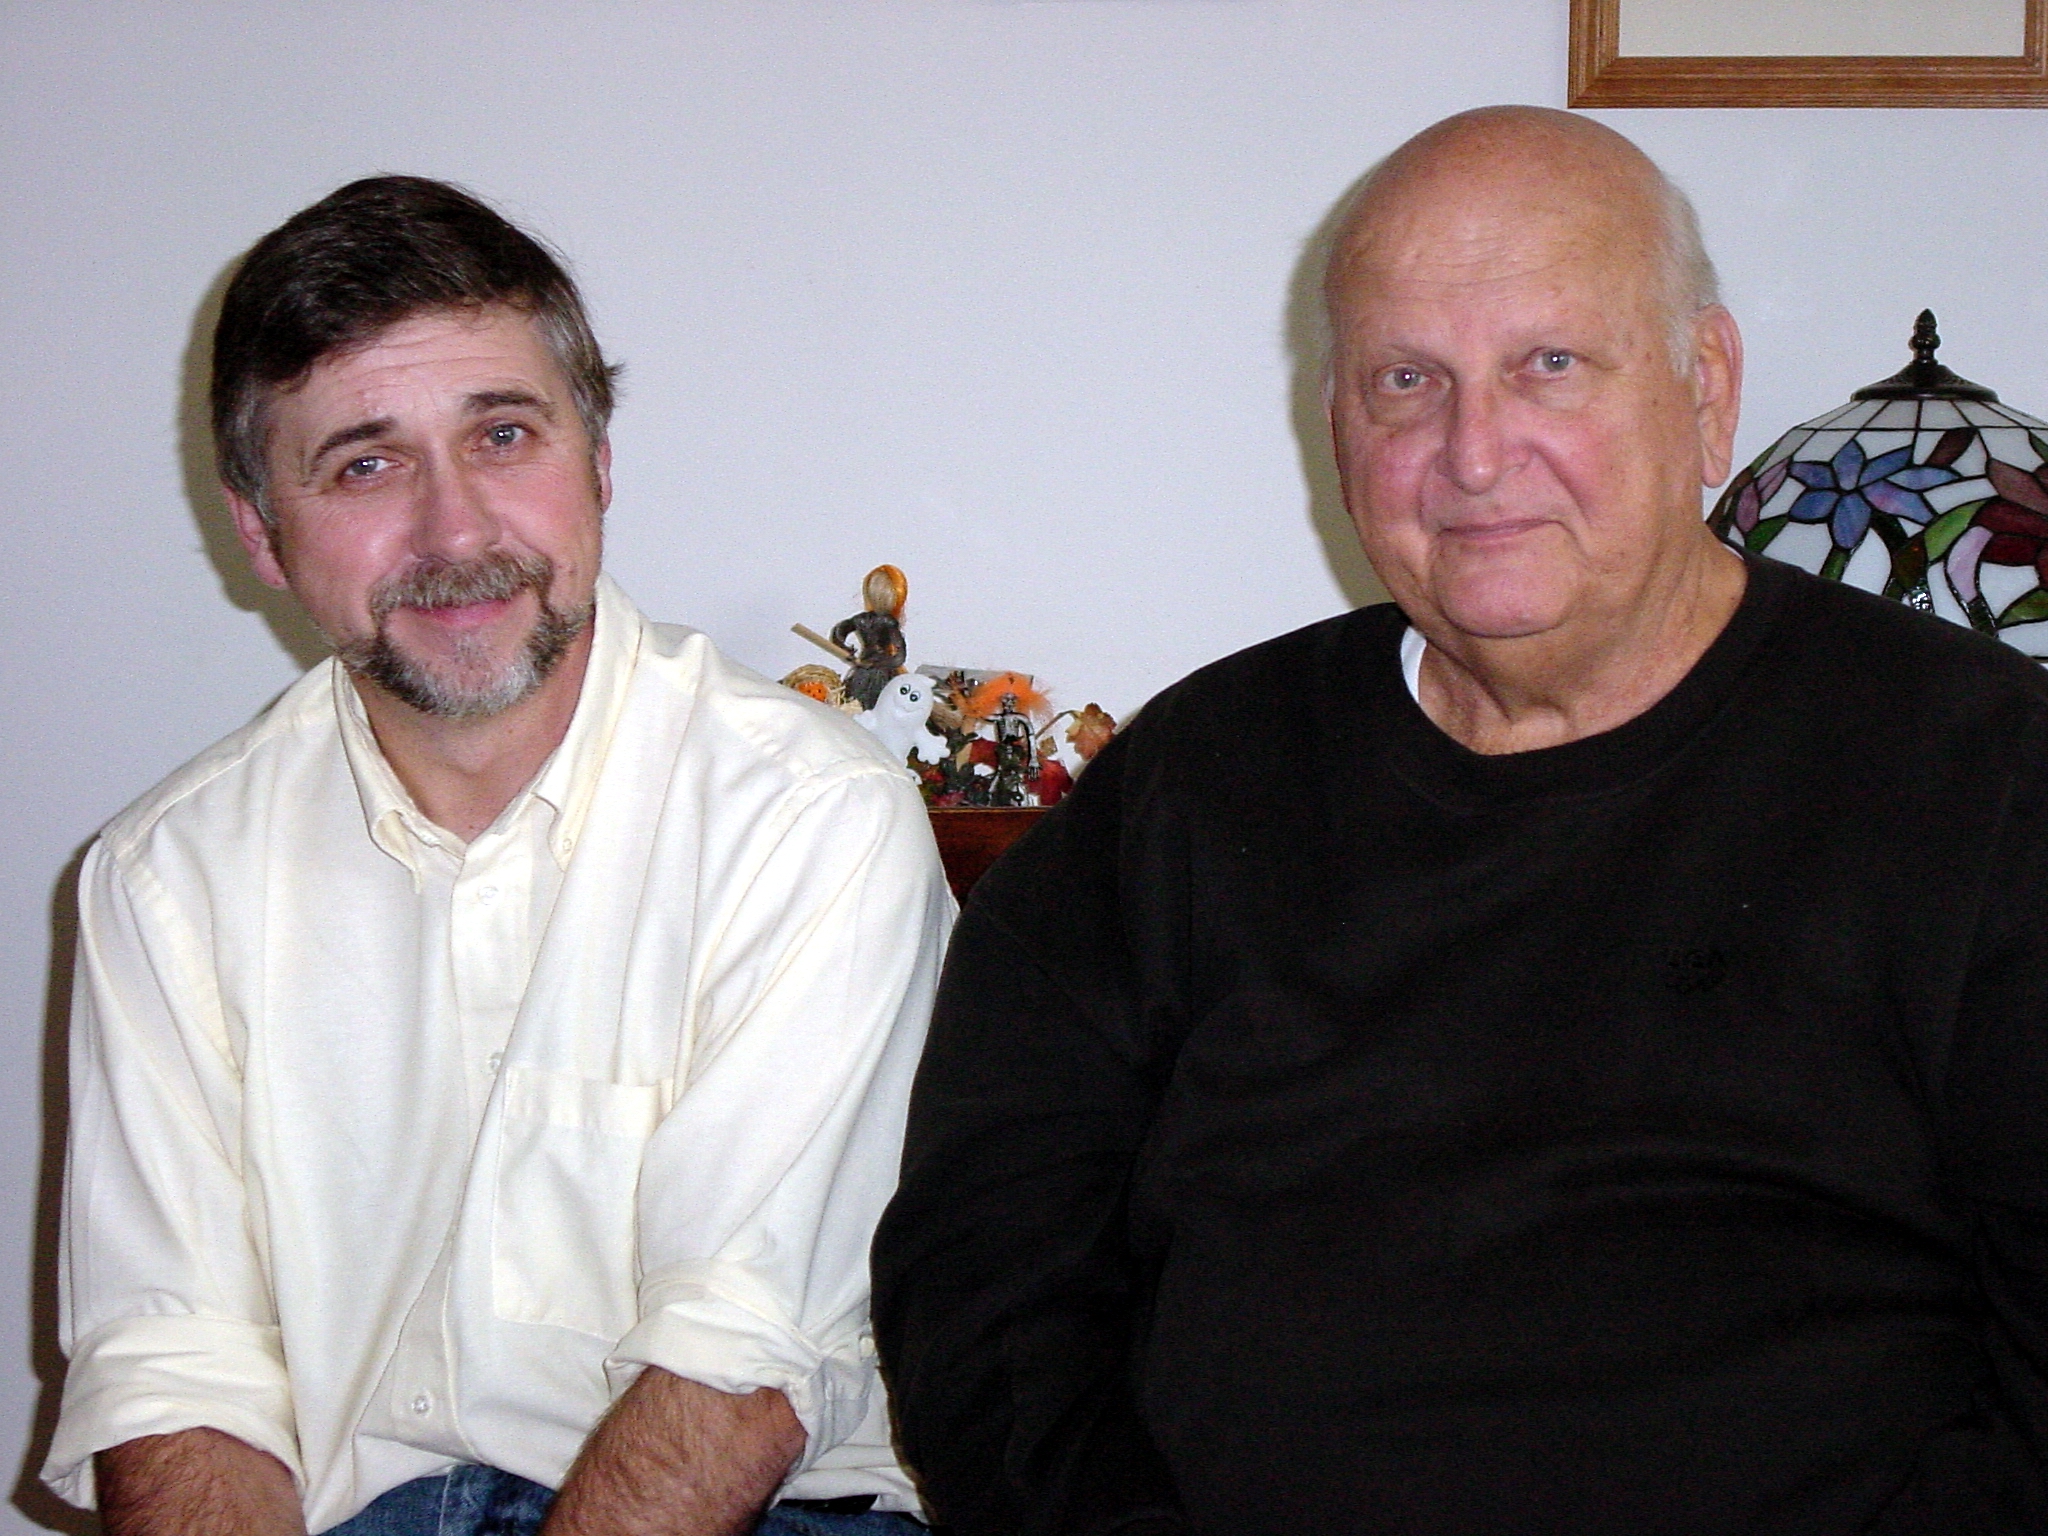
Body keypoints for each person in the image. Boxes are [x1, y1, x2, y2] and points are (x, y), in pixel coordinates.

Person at [872, 106, 2048, 1534]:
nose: (1475, 454)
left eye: (1550, 365)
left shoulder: (1988, 780)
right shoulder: (1184, 790)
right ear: (1335, 428)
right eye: (1406, 380)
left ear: (1707, 391)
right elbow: (985, 1285)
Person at [44, 176, 951, 1536]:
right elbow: (174, 1378)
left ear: (600, 463)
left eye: (504, 436)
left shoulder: (809, 817)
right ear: (261, 532)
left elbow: (741, 1364)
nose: (455, 531)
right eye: (365, 464)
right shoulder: (166, 877)